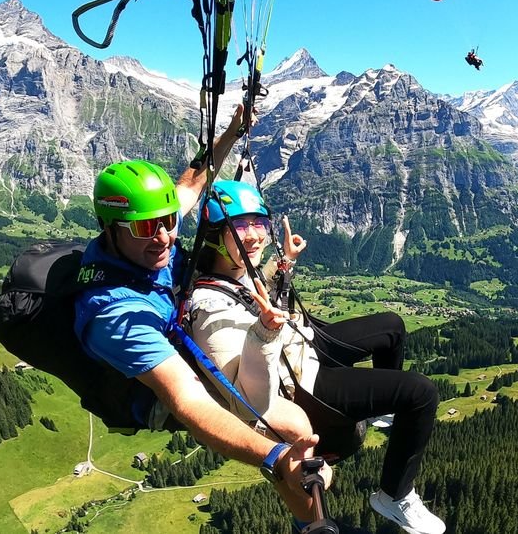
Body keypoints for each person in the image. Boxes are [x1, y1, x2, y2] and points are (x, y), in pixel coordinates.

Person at [73, 106, 332, 523]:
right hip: (162, 388)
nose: (164, 237)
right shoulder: (116, 315)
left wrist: (231, 132)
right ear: (110, 228)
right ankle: (313, 524)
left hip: (189, 334)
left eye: (170, 220)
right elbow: (186, 399)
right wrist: (275, 456)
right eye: (145, 228)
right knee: (297, 429)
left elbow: (191, 182)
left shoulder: (148, 224)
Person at [189, 180, 445, 534]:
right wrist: (264, 331)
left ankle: (384, 411)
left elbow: (256, 290)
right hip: (299, 382)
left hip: (299, 351)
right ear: (217, 235)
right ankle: (394, 495)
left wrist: (285, 265)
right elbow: (249, 400)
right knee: (420, 393)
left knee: (392, 326)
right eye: (240, 226)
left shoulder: (234, 273)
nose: (254, 236)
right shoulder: (209, 308)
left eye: (258, 224)